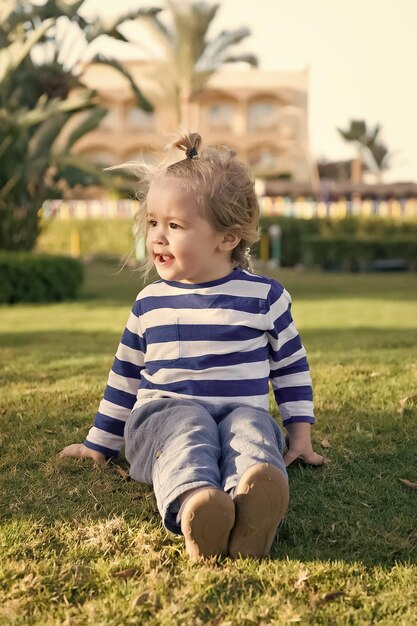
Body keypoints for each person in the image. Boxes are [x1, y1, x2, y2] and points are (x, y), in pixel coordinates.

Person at [60, 131, 324, 560]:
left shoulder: (265, 298)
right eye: (153, 223)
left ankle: (253, 502)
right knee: (187, 425)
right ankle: (196, 505)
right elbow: (124, 378)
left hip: (240, 414)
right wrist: (99, 444)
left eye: (175, 225)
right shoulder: (150, 303)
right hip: (161, 420)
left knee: (252, 429)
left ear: (227, 238)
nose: (158, 237)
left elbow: (291, 369)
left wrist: (300, 437)